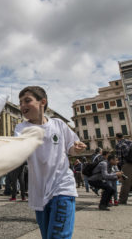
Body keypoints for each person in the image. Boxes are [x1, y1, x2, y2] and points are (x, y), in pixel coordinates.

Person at [15, 86, 86, 239]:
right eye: (20, 103)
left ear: (43, 102)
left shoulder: (59, 124)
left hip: (62, 187)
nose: (22, 106)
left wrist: (76, 148)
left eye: (27, 101)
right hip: (39, 193)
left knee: (58, 236)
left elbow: (71, 148)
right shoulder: (21, 128)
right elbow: (18, 150)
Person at [115, 133, 132, 205]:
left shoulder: (119, 144)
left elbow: (120, 157)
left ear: (117, 138)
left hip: (127, 164)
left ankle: (122, 200)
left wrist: (120, 167)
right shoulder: (130, 142)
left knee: (126, 183)